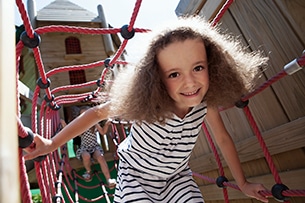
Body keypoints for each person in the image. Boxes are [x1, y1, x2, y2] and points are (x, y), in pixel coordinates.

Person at [25, 16, 269, 202]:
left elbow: (223, 139)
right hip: (136, 177)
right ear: (156, 78)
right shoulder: (149, 102)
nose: (190, 82)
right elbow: (97, 113)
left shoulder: (205, 105)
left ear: (213, 66)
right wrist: (52, 144)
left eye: (198, 68)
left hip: (177, 178)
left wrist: (243, 183)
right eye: (174, 74)